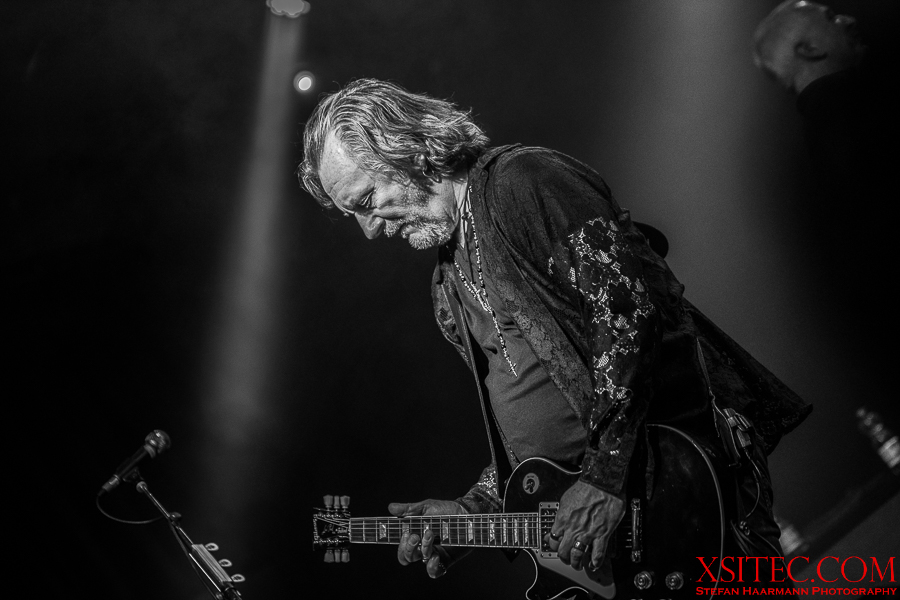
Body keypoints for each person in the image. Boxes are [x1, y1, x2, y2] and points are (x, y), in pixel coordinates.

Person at [299, 79, 811, 587]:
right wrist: (474, 510)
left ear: (408, 150)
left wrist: (605, 481)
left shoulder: (523, 182)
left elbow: (627, 316)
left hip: (680, 479)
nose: (369, 229)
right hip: (615, 525)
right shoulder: (446, 286)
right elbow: (533, 432)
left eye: (367, 199)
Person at [754, 1, 897, 425]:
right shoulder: (863, 116)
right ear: (809, 49)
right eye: (831, 18)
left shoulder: (803, 161)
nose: (848, 20)